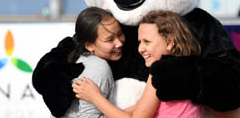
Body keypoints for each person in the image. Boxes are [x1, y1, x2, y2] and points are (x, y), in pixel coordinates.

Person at [73, 10, 205, 118]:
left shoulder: (160, 72)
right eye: (139, 42)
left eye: (147, 42)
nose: (140, 48)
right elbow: (142, 108)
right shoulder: (195, 68)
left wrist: (95, 97)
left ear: (170, 42)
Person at [60, 7, 125, 118]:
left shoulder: (78, 60)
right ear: (89, 45)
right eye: (109, 40)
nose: (119, 43)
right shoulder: (98, 67)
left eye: (119, 34)